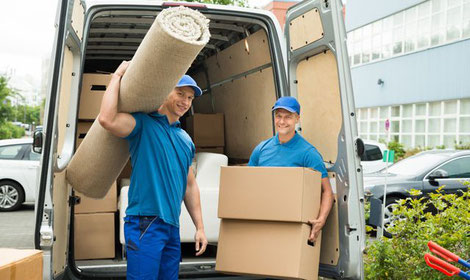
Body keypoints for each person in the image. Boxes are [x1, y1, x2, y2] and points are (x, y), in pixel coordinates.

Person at [98, 61, 208, 280]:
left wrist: (200, 227)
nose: (185, 101)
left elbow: (189, 185)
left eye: (190, 98)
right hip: (144, 223)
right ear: (166, 92)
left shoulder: (185, 140)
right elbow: (107, 119)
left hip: (171, 227)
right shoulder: (144, 125)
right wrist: (117, 76)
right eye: (180, 94)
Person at [248, 96, 334, 242]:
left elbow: (327, 191)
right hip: (263, 219)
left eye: (288, 117)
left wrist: (321, 220)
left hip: (292, 224)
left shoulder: (308, 153)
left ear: (297, 119)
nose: (282, 121)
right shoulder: (261, 149)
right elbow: (248, 183)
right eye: (278, 116)